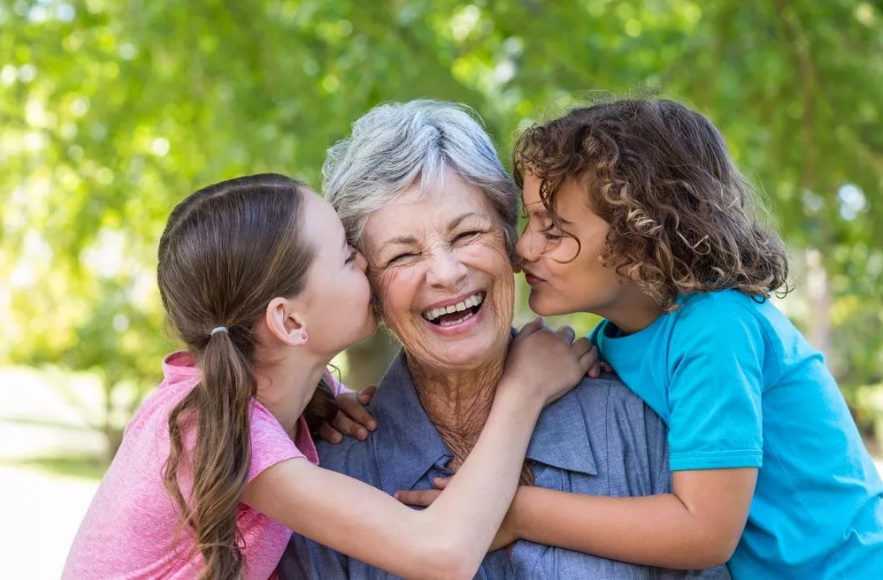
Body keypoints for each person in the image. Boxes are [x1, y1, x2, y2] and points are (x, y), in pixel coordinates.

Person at [62, 173, 596, 579]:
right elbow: (442, 554)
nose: (367, 263)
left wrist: (323, 399)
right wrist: (524, 390)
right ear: (289, 321)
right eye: (346, 256)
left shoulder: (256, 406)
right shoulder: (218, 430)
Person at [281, 100, 728, 578]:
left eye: (468, 233)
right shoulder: (326, 474)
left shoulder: (637, 419)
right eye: (402, 256)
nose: (448, 274)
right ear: (368, 289)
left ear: (511, 241)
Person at [508, 97, 883, 576]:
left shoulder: (715, 327)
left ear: (640, 240)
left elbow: (703, 532)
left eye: (554, 230)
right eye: (528, 221)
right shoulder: (616, 338)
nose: (522, 248)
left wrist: (518, 511)